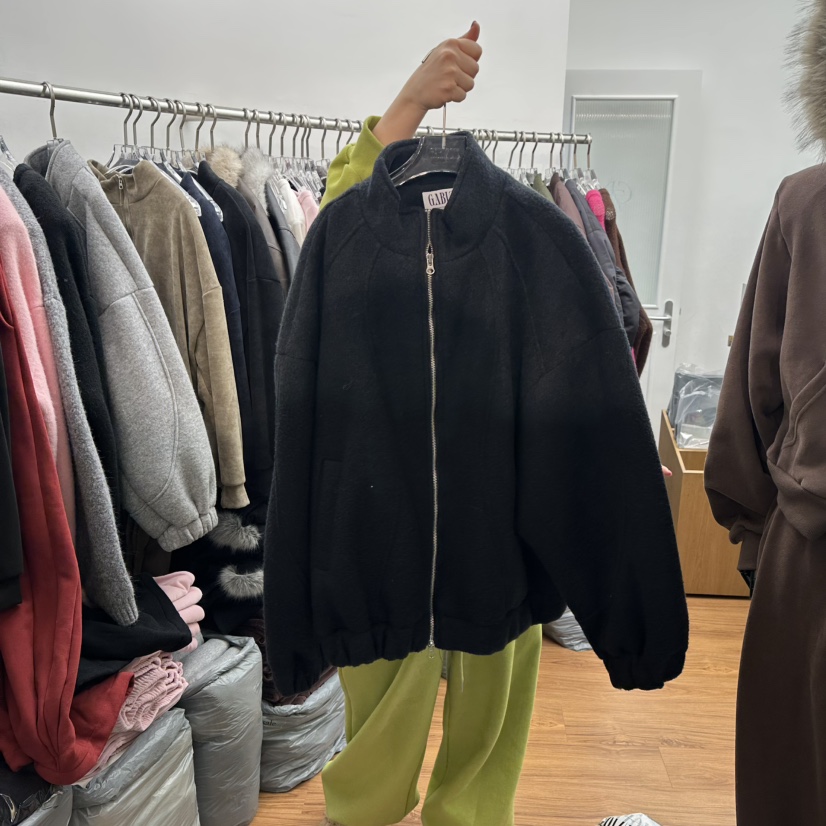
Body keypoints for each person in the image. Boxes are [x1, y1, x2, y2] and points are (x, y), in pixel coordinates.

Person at [314, 23, 545, 826]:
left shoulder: (525, 234)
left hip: (499, 516)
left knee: (488, 726)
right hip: (383, 511)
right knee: (379, 713)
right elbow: (334, 225)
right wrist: (413, 97)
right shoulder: (360, 231)